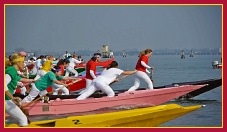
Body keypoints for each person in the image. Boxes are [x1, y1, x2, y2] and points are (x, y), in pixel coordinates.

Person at [5, 53, 35, 127]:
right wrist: (13, 98)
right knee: (23, 119)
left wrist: (32, 80)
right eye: (23, 62)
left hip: (6, 99)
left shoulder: (12, 70)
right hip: (5, 100)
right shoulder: (12, 70)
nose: (24, 64)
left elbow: (21, 79)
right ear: (18, 62)